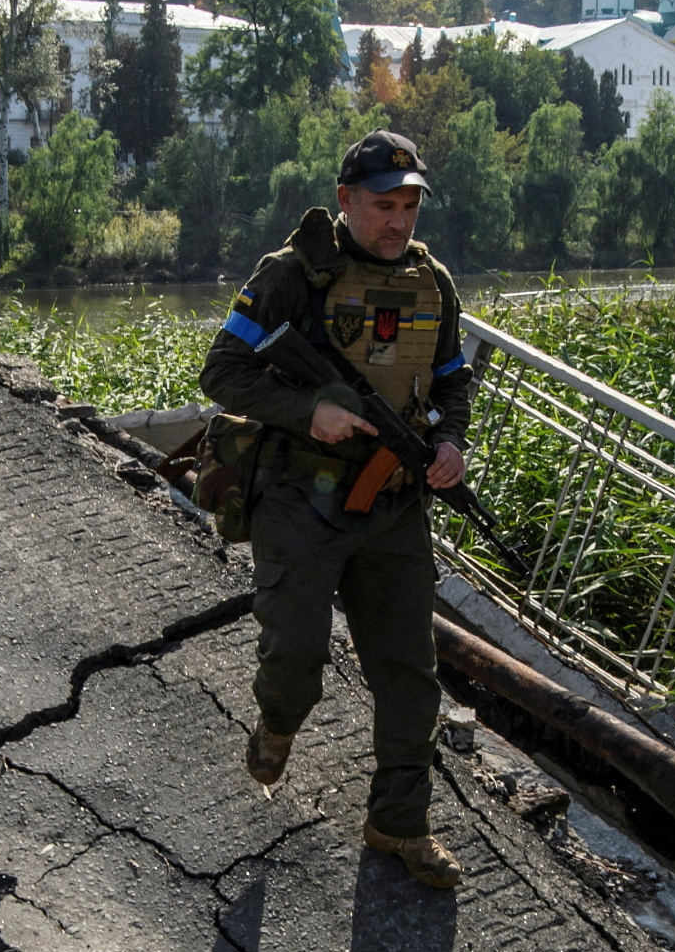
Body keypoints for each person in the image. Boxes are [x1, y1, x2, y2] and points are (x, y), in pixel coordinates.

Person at [198, 128, 475, 890]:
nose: (399, 222)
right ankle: (277, 724)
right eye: (384, 205)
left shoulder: (433, 284)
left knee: (410, 673)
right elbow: (221, 372)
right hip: (299, 493)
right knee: (296, 653)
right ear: (347, 200)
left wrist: (451, 442)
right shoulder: (290, 277)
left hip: (393, 503)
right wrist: (305, 411)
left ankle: (399, 823)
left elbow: (452, 379)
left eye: (410, 206)